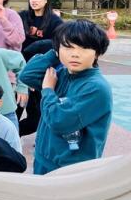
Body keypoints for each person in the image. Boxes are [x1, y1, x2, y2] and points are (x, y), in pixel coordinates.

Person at [18, 20, 112, 175]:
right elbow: (27, 75)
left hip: (71, 167)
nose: (75, 54)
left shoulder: (95, 87)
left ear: (97, 53)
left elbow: (59, 121)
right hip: (43, 158)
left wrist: (48, 90)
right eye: (68, 47)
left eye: (83, 48)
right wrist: (53, 55)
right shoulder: (62, 74)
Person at [16, 0, 64, 136]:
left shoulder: (55, 21)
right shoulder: (22, 17)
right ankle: (6, 138)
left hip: (39, 74)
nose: (34, 0)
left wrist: (36, 48)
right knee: (13, 111)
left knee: (36, 118)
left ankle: (14, 133)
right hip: (19, 70)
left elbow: (58, 45)